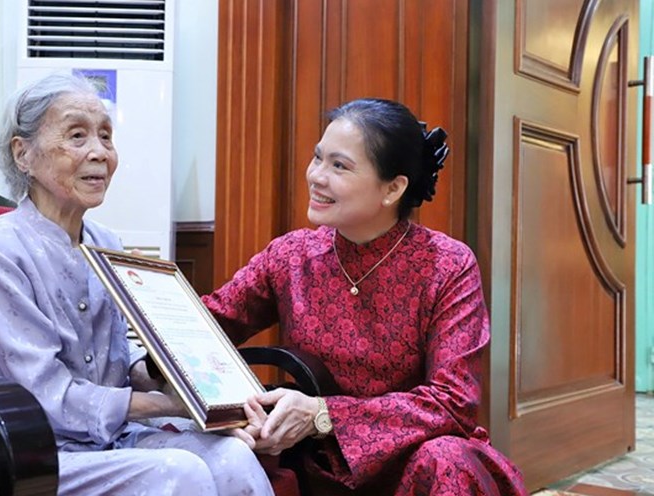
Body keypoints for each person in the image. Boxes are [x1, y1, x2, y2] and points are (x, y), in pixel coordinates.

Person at [0, 73, 274, 496]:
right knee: (178, 471)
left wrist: (179, 377)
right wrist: (171, 405)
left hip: (101, 437)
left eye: (106, 137)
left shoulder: (106, 244)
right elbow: (41, 389)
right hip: (13, 446)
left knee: (232, 456)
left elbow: (119, 350)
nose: (99, 153)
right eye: (77, 135)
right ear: (23, 154)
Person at [202, 98, 527, 495]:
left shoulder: (446, 264)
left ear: (393, 188)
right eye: (318, 158)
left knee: (446, 458)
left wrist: (324, 414)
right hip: (314, 461)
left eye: (339, 166)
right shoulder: (291, 255)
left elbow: (452, 401)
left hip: (414, 462)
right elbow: (206, 326)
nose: (317, 177)